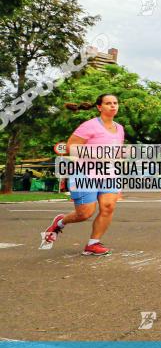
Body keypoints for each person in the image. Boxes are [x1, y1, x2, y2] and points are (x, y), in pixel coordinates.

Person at [44, 94, 125, 256]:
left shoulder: (120, 128)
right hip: (85, 173)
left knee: (108, 207)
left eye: (115, 103)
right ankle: (60, 222)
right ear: (99, 107)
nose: (113, 106)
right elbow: (69, 147)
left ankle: (93, 244)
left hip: (108, 174)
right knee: (84, 214)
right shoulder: (89, 126)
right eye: (108, 103)